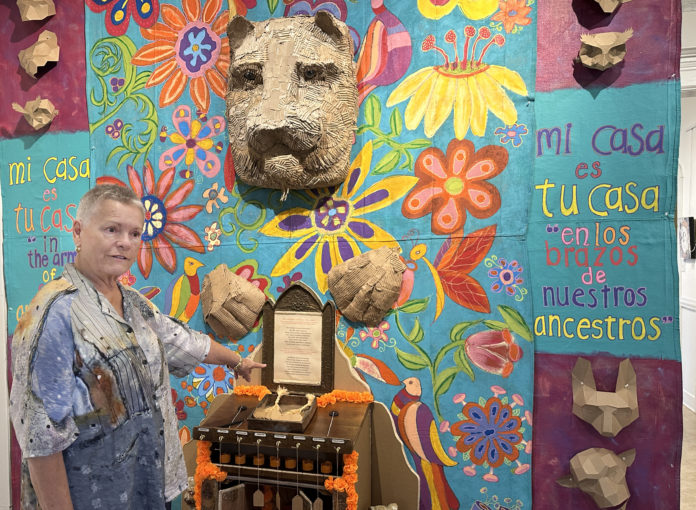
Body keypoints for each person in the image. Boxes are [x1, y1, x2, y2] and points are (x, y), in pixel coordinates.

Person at [9, 184, 265, 510]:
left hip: (148, 483)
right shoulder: (53, 315)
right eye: (111, 229)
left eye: (134, 233)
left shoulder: (134, 304)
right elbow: (41, 440)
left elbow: (181, 341)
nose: (125, 242)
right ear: (78, 232)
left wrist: (236, 361)